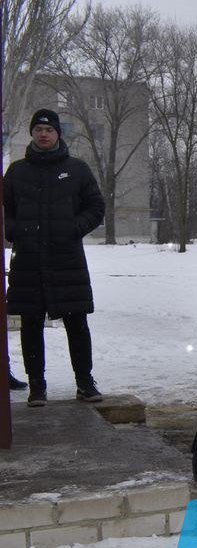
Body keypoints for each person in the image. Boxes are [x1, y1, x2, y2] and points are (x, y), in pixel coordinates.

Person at [3, 109, 105, 407]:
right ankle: (37, 386)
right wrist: (15, 231)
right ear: (32, 134)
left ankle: (85, 383)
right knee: (31, 323)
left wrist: (74, 228)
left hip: (67, 260)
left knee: (77, 323)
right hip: (28, 260)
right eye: (38, 129)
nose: (43, 134)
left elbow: (96, 207)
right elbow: (5, 210)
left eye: (49, 129)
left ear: (58, 134)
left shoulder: (77, 169)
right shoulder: (17, 172)